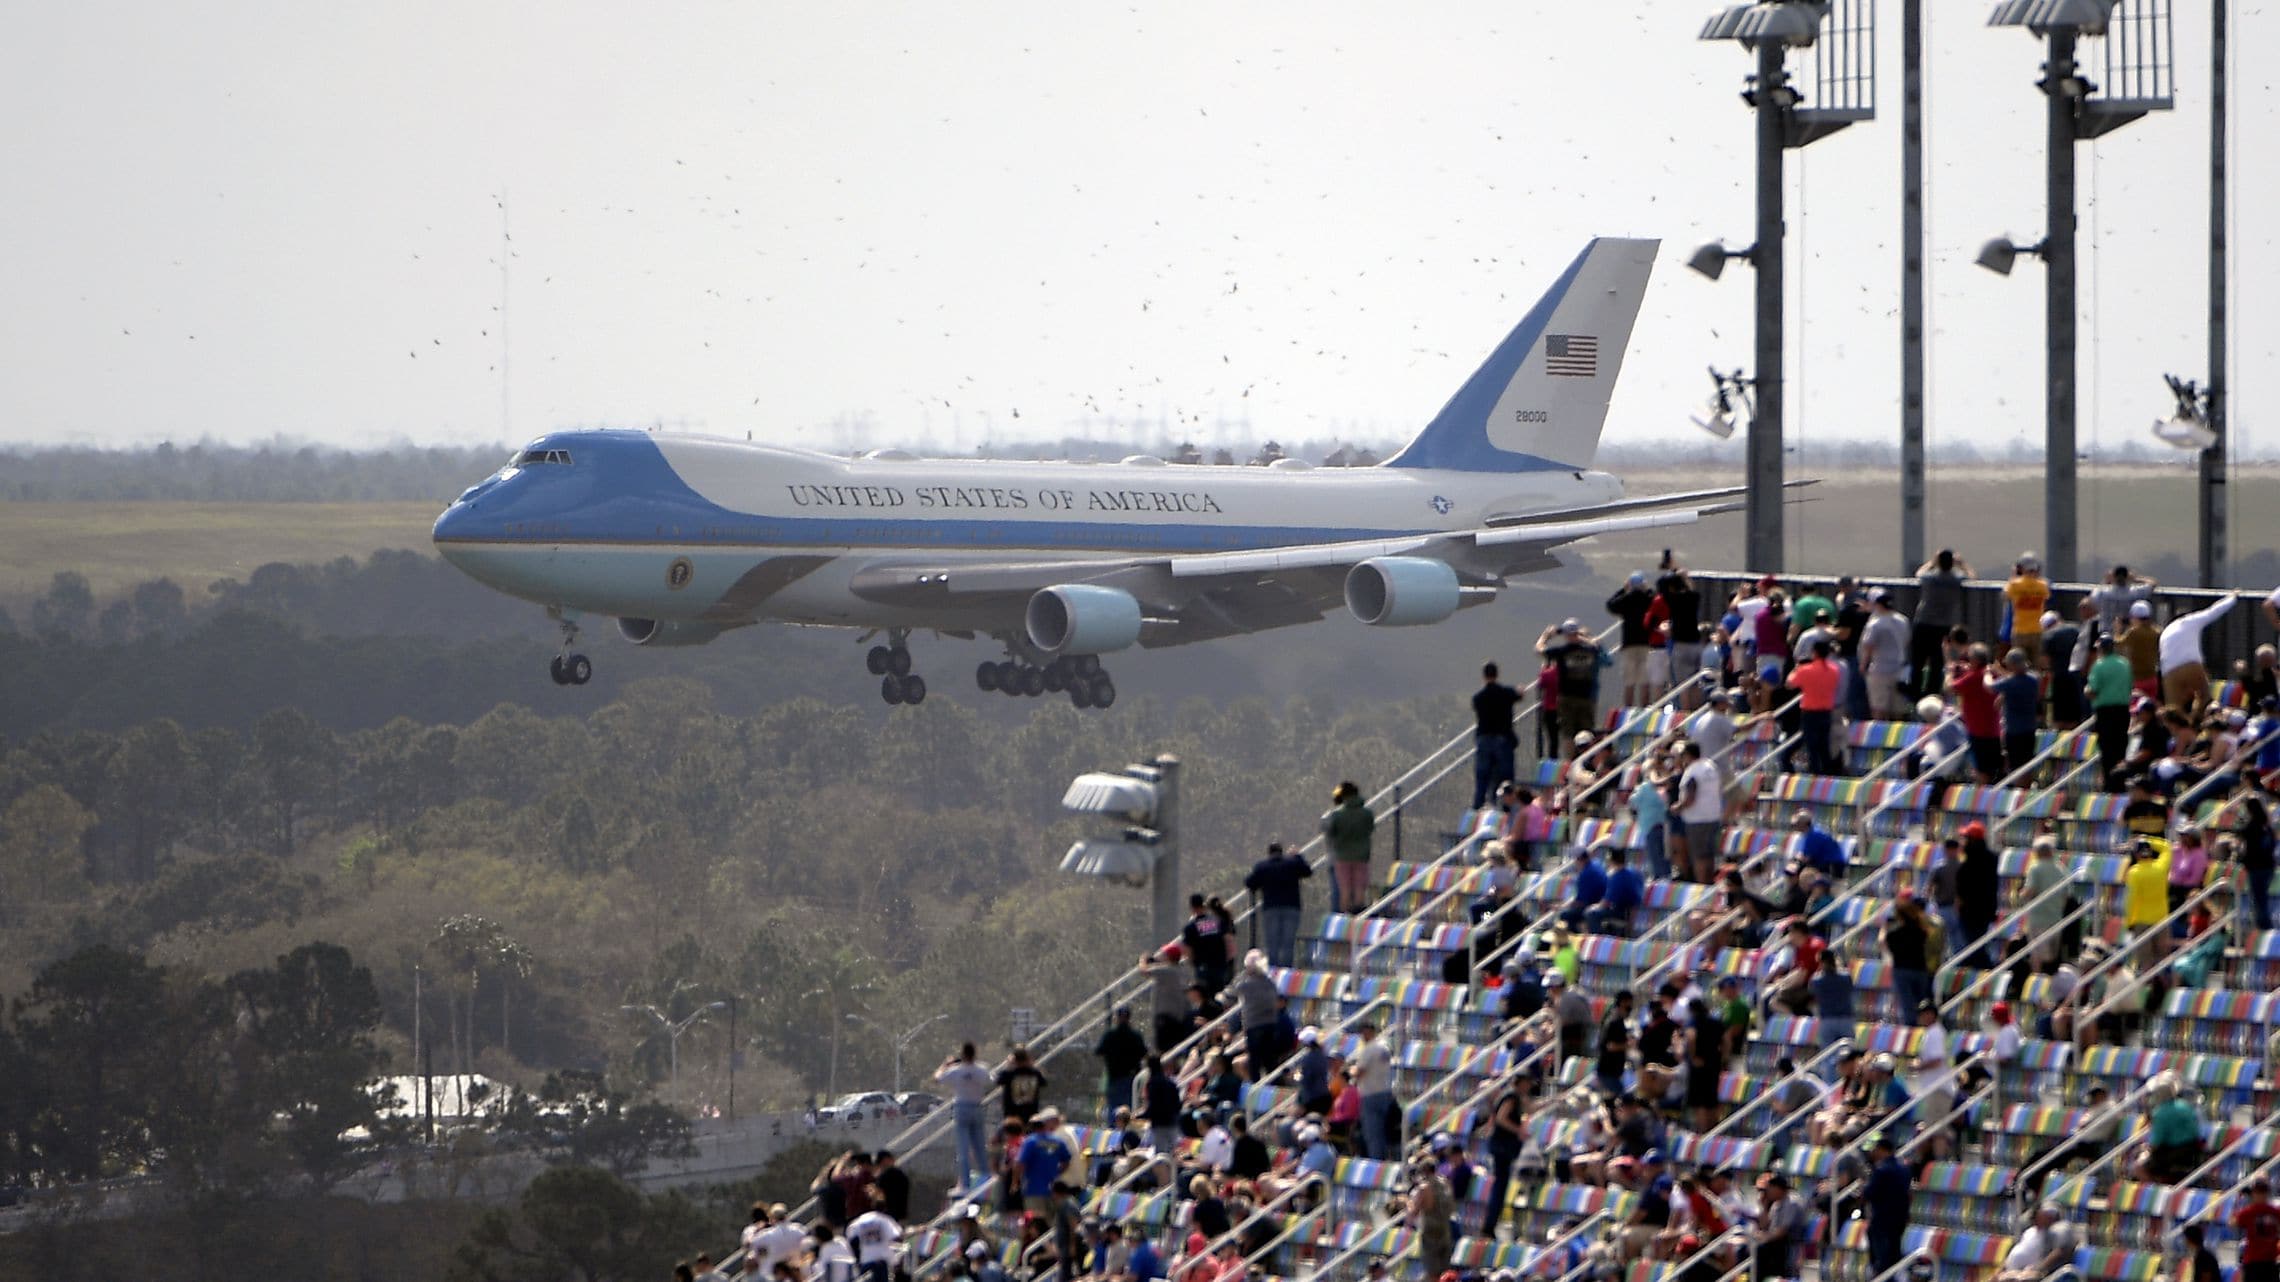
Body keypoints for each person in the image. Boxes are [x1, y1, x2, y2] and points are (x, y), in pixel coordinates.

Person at [1537, 618, 1612, 754]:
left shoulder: (1561, 652)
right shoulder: (1590, 651)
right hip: (1586, 697)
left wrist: (1546, 636)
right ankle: (1586, 760)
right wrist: (1582, 637)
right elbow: (1598, 646)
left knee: (1568, 733)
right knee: (1586, 732)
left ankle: (1569, 763)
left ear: (1565, 635)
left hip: (1566, 697)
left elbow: (1539, 649)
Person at [2162, 594, 2240, 717]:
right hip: (2191, 664)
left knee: (2173, 711)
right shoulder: (2190, 620)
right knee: (2205, 697)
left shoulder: (2166, 631)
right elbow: (2213, 611)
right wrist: (2232, 598)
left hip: (2169, 672)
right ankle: (2200, 721)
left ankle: (2179, 731)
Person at [1911, 550, 1972, 698]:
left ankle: (1915, 694)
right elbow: (1971, 577)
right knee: (1937, 663)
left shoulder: (1930, 577)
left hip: (1923, 622)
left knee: (1918, 661)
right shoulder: (1955, 579)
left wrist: (1932, 562)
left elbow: (1919, 573)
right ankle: (1932, 694)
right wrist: (1962, 564)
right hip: (1943, 625)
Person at [936, 1043, 996, 1195]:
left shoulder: (956, 1070)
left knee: (963, 1147)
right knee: (980, 1146)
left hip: (961, 1107)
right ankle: (985, 1180)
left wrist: (946, 1065)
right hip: (977, 1106)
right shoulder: (981, 1069)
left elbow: (938, 1078)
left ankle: (965, 1184)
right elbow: (991, 1079)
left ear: (962, 1055)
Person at [1243, 842, 1311, 969]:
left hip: (1271, 908)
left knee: (1272, 942)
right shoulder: (1292, 863)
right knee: (1288, 942)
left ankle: (1273, 971)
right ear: (1282, 851)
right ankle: (1286, 971)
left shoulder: (1262, 866)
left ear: (1269, 853)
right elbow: (1307, 872)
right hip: (1292, 907)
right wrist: (1298, 856)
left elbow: (1249, 883)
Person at [1787, 638, 1845, 776]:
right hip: (1826, 710)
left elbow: (1790, 684)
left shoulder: (1805, 670)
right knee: (1824, 744)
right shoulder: (1834, 670)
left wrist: (1794, 670)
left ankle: (1815, 771)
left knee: (1811, 743)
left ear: (1814, 653)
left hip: (1810, 711)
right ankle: (1827, 771)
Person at [2086, 634, 2134, 787]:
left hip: (2105, 711)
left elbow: (2093, 690)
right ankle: (2120, 781)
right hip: (2123, 710)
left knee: (2107, 749)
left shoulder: (2099, 665)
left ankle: (2109, 783)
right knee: (2121, 747)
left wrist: (2087, 692)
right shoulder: (2125, 663)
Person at [1473, 663, 1522, 809]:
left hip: (1484, 740)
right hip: (1503, 740)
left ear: (1484, 676)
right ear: (1497, 674)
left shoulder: (1478, 698)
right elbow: (1518, 694)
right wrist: (1519, 690)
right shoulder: (1506, 693)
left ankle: (1477, 809)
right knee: (1505, 778)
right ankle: (1506, 810)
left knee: (1482, 778)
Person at [1863, 1132, 1912, 1280]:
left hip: (1882, 1220)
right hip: (1899, 1220)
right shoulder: (1904, 1169)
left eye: (1876, 1149)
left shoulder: (1881, 1170)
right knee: (1893, 1257)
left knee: (1881, 1260)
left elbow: (1869, 1193)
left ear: (1882, 1149)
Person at [1322, 782, 1375, 917]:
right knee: (1359, 888)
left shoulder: (1337, 815)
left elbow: (1331, 832)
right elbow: (1370, 829)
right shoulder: (1367, 813)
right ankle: (1359, 916)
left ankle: (1344, 919)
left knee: (1344, 889)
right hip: (1362, 856)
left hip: (1342, 856)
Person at [1676, 741, 1724, 884]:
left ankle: (1702, 887)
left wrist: (1677, 807)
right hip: (1713, 816)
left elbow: (1691, 796)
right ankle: (1709, 884)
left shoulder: (1693, 771)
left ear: (1688, 755)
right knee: (1709, 856)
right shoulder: (1710, 766)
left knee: (1699, 856)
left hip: (1697, 820)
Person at [1094, 1006, 1148, 1123]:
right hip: (1131, 1077)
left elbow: (1098, 1051)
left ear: (1116, 1018)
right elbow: (1144, 1053)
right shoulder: (1135, 1035)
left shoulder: (1110, 1035)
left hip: (1115, 1077)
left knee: (1114, 1109)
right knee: (1129, 1108)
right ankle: (1127, 1131)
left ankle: (1114, 1133)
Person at [1352, 1021, 1397, 1160]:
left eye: (1364, 1031)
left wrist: (1350, 1070)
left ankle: (1376, 1163)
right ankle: (1384, 1160)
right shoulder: (1385, 1047)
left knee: (1373, 1134)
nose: (1362, 1035)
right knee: (1384, 1132)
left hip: (1370, 1095)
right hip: (1386, 1093)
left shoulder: (1369, 1048)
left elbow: (1358, 1072)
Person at [1994, 649, 2042, 777]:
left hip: (2014, 731)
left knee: (2016, 766)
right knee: (2026, 765)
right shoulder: (2034, 679)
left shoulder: (2010, 683)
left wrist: (1988, 674)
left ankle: (2019, 792)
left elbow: (1990, 687)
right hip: (2030, 729)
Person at [1016, 1108, 1073, 1215]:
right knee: (1051, 1222)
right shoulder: (1058, 1141)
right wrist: (1057, 1172)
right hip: (1052, 1190)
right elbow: (1066, 1161)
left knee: (1035, 1222)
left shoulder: (1030, 1142)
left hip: (1033, 1189)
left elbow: (1020, 1163)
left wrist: (1016, 1182)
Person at [2006, 554, 2051, 663]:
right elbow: (2047, 597)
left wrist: (2013, 576)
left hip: (2020, 630)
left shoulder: (2015, 585)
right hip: (2037, 629)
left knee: (2018, 663)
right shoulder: (2042, 585)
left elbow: (2005, 595)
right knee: (2036, 664)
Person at [2235, 1177, 2280, 1282]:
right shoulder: (2275, 1212)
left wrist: (2238, 1202)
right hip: (2269, 1262)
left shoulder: (2249, 1212)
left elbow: (2234, 1222)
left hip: (2253, 1261)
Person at [844, 1202, 902, 1282]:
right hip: (880, 1260)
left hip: (866, 1260)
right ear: (884, 1209)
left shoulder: (862, 1219)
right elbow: (896, 1235)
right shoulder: (884, 1219)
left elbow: (849, 1233)